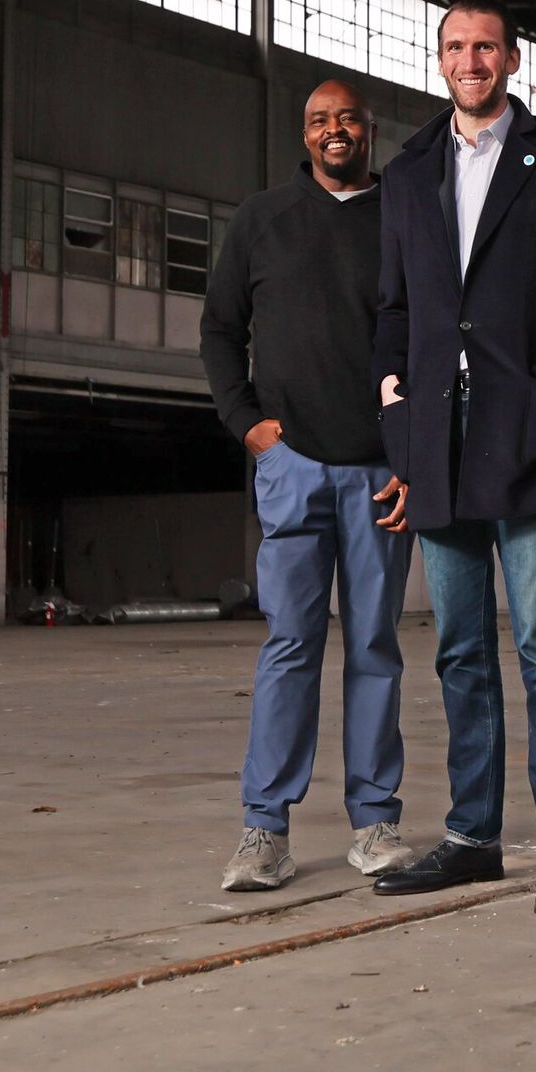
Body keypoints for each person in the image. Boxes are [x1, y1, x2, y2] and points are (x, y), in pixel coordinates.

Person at [368, 0, 536, 917]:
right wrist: (392, 394)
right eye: (454, 47)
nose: (469, 61)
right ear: (439, 60)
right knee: (461, 650)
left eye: (485, 47)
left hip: (527, 427)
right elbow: (394, 305)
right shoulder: (409, 170)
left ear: (512, 59)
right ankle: (474, 836)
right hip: (437, 434)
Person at [200, 80, 416, 891]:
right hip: (291, 469)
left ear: (369, 130)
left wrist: (413, 456)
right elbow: (220, 329)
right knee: (289, 645)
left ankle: (375, 821)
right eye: (321, 120)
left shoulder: (403, 218)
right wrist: (248, 425)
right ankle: (264, 830)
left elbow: (433, 338)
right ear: (306, 134)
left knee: (374, 646)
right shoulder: (262, 219)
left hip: (379, 472)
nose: (335, 130)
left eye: (348, 119)